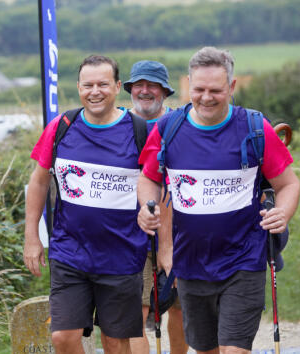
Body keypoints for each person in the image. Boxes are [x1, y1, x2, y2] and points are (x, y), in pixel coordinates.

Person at [136, 47, 300, 354]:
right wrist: (149, 208)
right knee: (206, 350)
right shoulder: (167, 130)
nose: (206, 97)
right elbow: (149, 178)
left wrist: (283, 213)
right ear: (188, 84)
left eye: (216, 90)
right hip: (191, 264)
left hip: (244, 261)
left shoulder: (254, 129)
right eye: (199, 89)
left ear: (232, 87)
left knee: (234, 350)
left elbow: (289, 183)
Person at [24, 55, 152, 354]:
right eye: (88, 85)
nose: (95, 91)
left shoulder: (140, 132)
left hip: (122, 255)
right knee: (63, 336)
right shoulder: (61, 127)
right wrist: (32, 237)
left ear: (118, 87)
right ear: (78, 87)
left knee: (114, 341)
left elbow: (158, 186)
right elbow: (39, 182)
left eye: (103, 84)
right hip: (70, 253)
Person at [123, 60, 188, 354]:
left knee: (179, 308)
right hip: (129, 232)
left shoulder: (180, 124)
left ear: (164, 91)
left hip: (180, 231)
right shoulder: (119, 124)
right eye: (139, 85)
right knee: (136, 313)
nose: (145, 91)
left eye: (152, 85)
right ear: (131, 89)